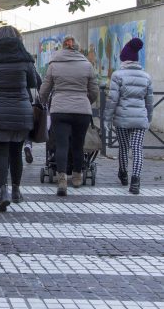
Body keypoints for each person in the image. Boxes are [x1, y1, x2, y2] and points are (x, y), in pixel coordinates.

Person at [0, 25, 37, 211]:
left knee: (0, 151)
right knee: (16, 151)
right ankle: (16, 190)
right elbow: (33, 82)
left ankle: (2, 191)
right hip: (21, 109)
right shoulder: (24, 58)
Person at [39, 35, 98, 196]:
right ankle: (77, 176)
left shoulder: (54, 64)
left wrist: (42, 101)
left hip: (60, 109)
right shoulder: (87, 65)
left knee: (61, 144)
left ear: (63, 48)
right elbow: (94, 91)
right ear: (77, 48)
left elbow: (45, 89)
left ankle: (62, 179)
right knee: (78, 144)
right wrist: (86, 101)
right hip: (82, 111)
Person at [104, 38, 153, 194]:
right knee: (137, 149)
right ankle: (135, 181)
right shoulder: (146, 77)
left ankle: (123, 174)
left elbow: (112, 100)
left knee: (124, 148)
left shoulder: (117, 75)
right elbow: (149, 102)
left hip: (122, 119)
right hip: (140, 119)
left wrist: (107, 118)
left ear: (124, 58)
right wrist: (149, 118)